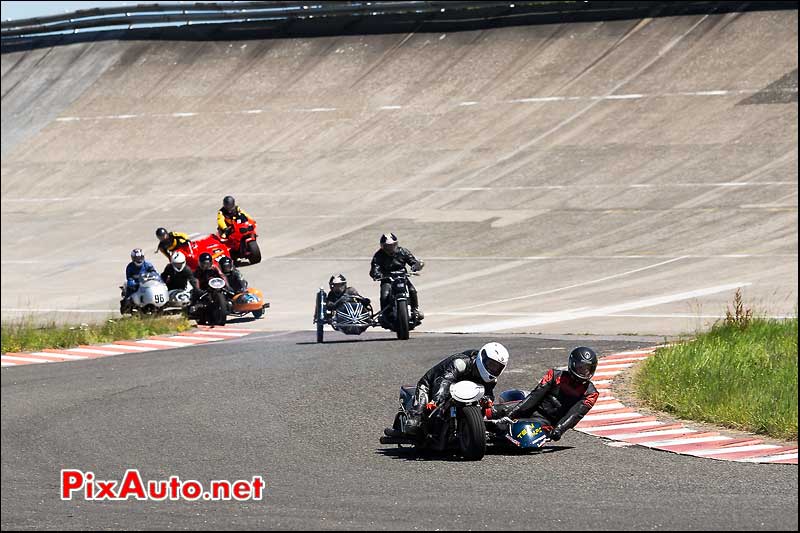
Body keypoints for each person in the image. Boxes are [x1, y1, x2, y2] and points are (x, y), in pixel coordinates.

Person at [384, 342, 510, 439]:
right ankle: (408, 426)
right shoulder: (460, 363)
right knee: (414, 424)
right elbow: (444, 382)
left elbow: (488, 393)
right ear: (482, 357)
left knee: (487, 411)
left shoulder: (492, 379)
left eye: (497, 367)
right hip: (431, 385)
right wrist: (436, 400)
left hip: (463, 391)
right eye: (491, 364)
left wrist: (488, 401)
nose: (493, 369)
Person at [495, 347, 600, 442]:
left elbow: (575, 414)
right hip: (530, 409)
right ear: (572, 364)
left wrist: (559, 429)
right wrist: (511, 414)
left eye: (587, 369)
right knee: (498, 410)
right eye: (581, 367)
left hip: (545, 421)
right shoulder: (554, 375)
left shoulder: (591, 393)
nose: (584, 371)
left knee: (520, 430)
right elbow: (534, 396)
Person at [369, 233, 424, 320]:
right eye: (387, 246)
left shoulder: (403, 251)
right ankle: (385, 314)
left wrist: (415, 266)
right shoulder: (379, 255)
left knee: (412, 290)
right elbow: (375, 267)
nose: (390, 248)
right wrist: (376, 274)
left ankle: (415, 310)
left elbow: (412, 260)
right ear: (383, 246)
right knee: (385, 295)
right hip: (387, 279)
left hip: (402, 277)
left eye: (392, 245)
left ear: (396, 244)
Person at [120, 248, 158, 312]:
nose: (139, 260)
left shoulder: (148, 265)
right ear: (133, 258)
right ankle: (126, 307)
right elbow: (129, 278)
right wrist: (132, 283)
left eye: (140, 257)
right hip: (136, 284)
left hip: (146, 283)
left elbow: (155, 273)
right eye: (137, 258)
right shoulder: (130, 267)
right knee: (128, 295)